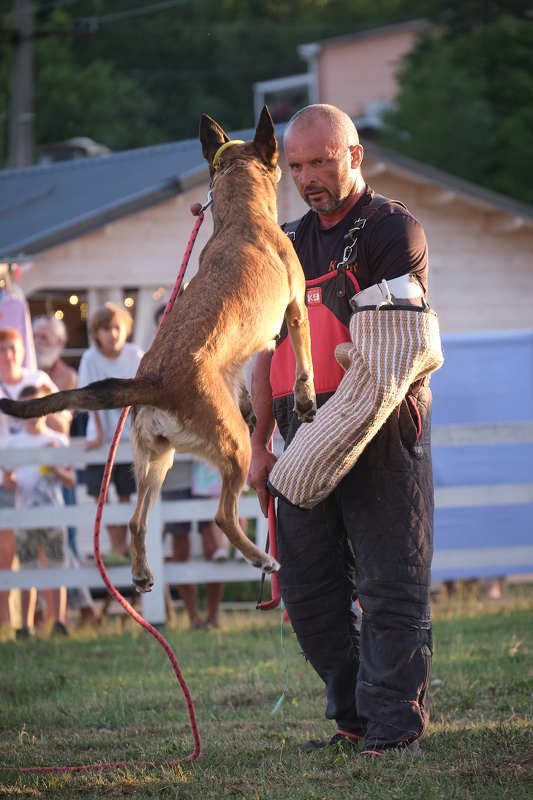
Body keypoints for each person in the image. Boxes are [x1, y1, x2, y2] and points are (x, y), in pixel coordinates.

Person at [249, 104, 434, 755]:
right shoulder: (288, 244)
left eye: (320, 162)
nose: (307, 178)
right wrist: (257, 444)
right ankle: (353, 716)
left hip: (381, 428)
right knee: (310, 592)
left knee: (389, 586)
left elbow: (391, 352)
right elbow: (264, 351)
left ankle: (391, 729)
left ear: (353, 155)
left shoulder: (391, 230)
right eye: (295, 166)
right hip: (302, 433)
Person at [0, 327, 70, 627]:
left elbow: (64, 421)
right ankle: (10, 621)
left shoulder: (38, 381)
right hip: (9, 477)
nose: (7, 354)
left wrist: (37, 414)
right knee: (8, 555)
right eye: (2, 349)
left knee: (52, 558)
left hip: (45, 483)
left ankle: (57, 620)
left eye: (12, 348)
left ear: (21, 350)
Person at [33, 315, 97, 626]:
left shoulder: (68, 377)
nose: (39, 342)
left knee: (66, 540)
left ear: (60, 342)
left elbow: (62, 420)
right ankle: (47, 611)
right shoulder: (26, 376)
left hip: (62, 466)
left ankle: (83, 606)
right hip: (31, 468)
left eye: (46, 337)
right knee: (34, 541)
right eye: (36, 336)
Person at [78, 302, 143, 561]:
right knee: (101, 495)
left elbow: (144, 395)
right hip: (102, 438)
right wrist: (96, 433)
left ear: (126, 330)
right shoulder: (89, 359)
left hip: (130, 437)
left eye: (117, 327)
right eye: (106, 329)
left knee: (127, 493)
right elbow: (87, 396)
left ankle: (125, 546)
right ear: (96, 333)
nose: (112, 334)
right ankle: (118, 547)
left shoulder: (135, 355)